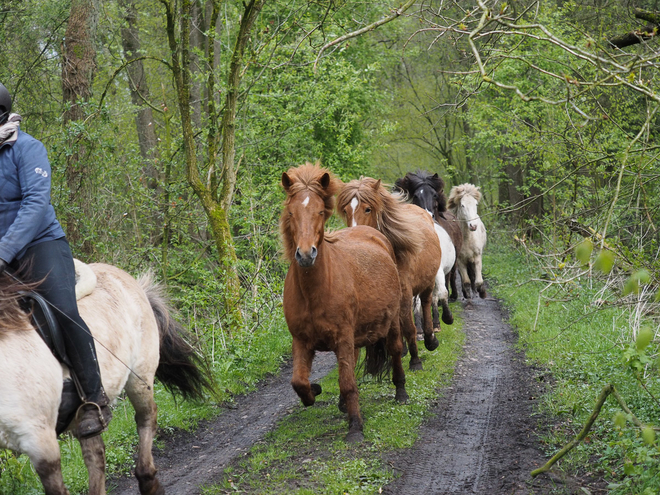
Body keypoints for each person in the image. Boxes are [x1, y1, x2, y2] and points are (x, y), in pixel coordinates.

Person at [0, 82, 111, 438]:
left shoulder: (28, 149)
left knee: (63, 309)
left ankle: (94, 397)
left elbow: (35, 205)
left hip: (40, 244)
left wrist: (3, 252)